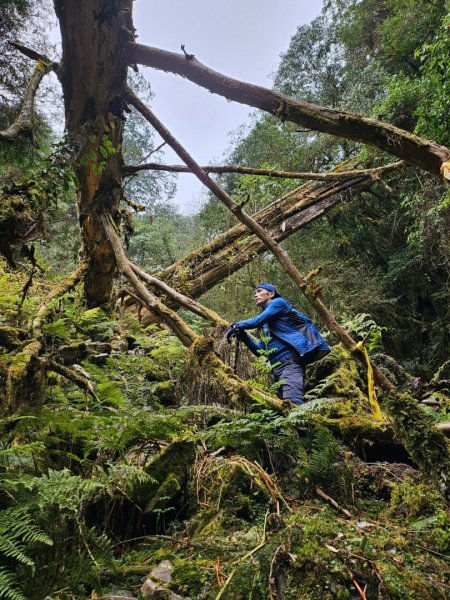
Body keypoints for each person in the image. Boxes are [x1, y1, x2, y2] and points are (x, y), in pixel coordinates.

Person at [227, 283, 330, 406]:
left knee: (292, 401)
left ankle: (302, 424)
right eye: (255, 293)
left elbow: (256, 321)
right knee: (282, 405)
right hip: (276, 367)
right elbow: (259, 350)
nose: (256, 295)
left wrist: (236, 324)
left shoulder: (279, 303)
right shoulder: (265, 324)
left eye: (259, 291)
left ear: (271, 294)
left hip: (290, 361)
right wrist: (243, 335)